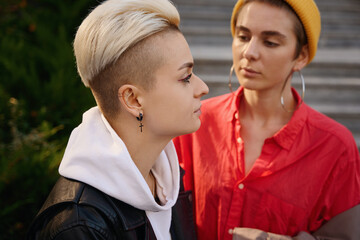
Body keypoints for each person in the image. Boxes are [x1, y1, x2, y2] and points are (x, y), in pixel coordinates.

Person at [173, 0, 360, 239]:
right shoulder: (195, 122)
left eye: (270, 42)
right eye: (242, 36)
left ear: (301, 55)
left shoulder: (334, 147)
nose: (249, 53)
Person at [26, 0, 209, 239]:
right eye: (185, 77)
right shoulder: (78, 226)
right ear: (133, 99)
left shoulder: (168, 180)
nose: (202, 88)